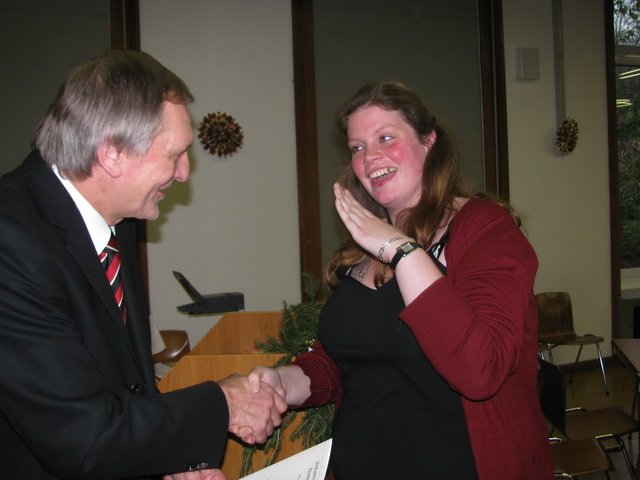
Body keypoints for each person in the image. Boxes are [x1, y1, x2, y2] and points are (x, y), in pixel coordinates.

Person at [0, 50, 286, 480]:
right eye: (175, 154)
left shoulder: (118, 221)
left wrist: (171, 461)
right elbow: (82, 437)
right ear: (112, 153)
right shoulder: (11, 241)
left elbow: (130, 389)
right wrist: (225, 403)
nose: (184, 173)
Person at [248, 81, 553, 479]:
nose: (369, 157)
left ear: (428, 140)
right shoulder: (361, 251)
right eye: (357, 147)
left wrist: (400, 249)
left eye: (386, 138)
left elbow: (482, 370)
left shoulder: (484, 229)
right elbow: (344, 362)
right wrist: (282, 383)